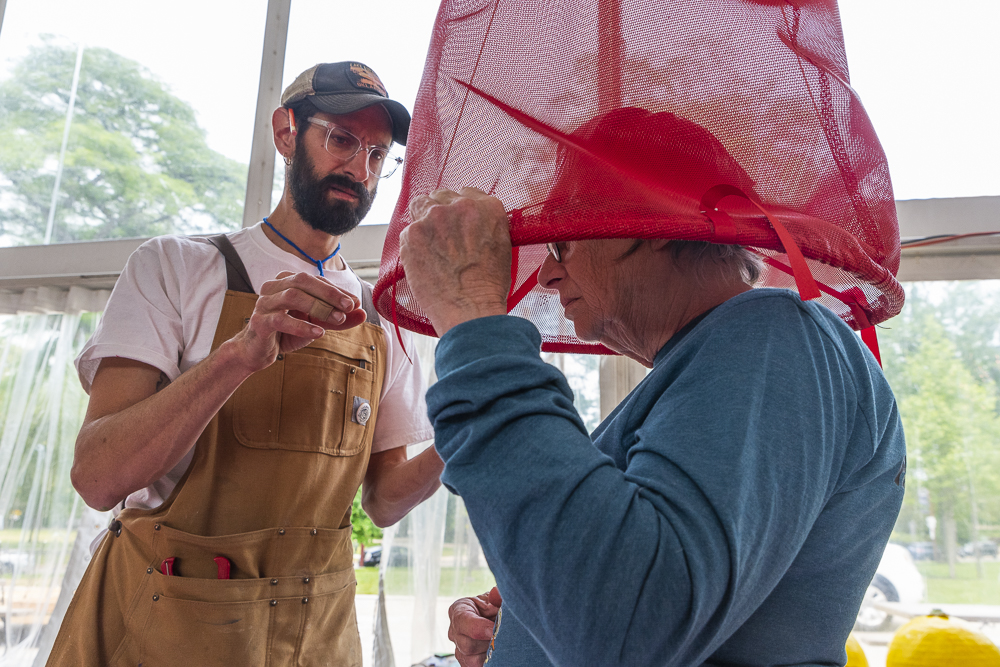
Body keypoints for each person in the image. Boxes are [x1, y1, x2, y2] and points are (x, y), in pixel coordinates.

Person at [398, 108, 906, 666]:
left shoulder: (774, 334)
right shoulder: (727, 356)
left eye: (564, 240)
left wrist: (474, 317)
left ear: (651, 222)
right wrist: (527, 613)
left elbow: (628, 628)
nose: (546, 273)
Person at [47, 61, 442, 666]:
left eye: (376, 155)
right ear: (286, 131)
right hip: (169, 624)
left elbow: (384, 501)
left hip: (315, 635)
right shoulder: (177, 268)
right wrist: (238, 357)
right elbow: (97, 478)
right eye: (341, 139)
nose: (359, 170)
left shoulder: (382, 315)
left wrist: (465, 438)